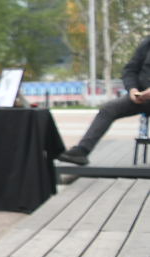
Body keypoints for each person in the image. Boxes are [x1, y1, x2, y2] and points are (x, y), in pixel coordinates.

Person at [59, 32, 150, 165]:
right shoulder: (147, 43)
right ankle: (82, 151)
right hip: (141, 97)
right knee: (109, 109)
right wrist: (132, 90)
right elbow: (130, 70)